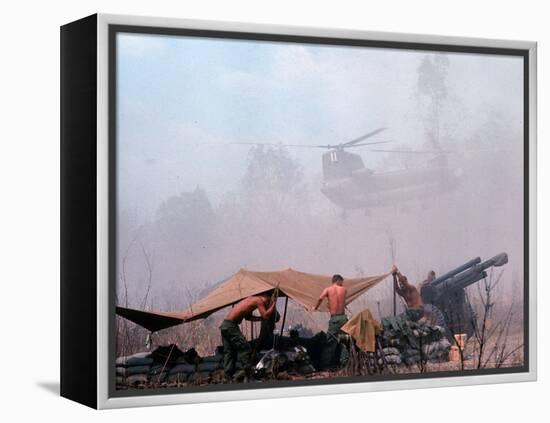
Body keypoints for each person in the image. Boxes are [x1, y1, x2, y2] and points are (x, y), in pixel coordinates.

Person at [219, 291, 277, 380]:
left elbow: (248, 317)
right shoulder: (258, 300)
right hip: (231, 325)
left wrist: (260, 319)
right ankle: (247, 372)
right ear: (265, 296)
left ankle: (228, 375)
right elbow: (266, 315)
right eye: (267, 301)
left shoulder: (250, 299)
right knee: (245, 348)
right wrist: (273, 304)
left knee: (230, 351)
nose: (266, 304)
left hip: (225, 325)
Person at [313, 274, 349, 367]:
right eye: (342, 282)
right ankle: (344, 363)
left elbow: (320, 298)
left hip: (335, 319)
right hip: (344, 318)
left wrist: (315, 308)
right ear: (338, 280)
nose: (342, 284)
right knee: (344, 341)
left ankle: (325, 365)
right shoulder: (344, 290)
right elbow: (340, 301)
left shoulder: (328, 289)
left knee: (329, 342)